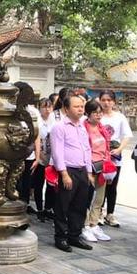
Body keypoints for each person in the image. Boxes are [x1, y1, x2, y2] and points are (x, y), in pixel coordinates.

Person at [50, 95, 94, 252]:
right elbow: (57, 152)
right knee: (63, 205)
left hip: (82, 171)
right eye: (76, 107)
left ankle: (74, 235)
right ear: (66, 109)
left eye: (81, 106)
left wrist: (89, 172)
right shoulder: (59, 127)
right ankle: (61, 237)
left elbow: (86, 149)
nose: (80, 109)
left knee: (80, 205)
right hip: (68, 170)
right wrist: (63, 174)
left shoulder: (82, 126)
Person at [99, 90, 133, 228]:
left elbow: (127, 136)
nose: (106, 103)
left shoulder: (120, 117)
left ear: (114, 102)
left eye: (109, 100)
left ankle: (110, 213)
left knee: (112, 186)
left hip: (114, 158)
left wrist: (119, 149)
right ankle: (98, 212)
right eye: (103, 100)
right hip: (99, 157)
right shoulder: (97, 116)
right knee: (100, 185)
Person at [81, 100, 112, 243]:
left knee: (99, 198)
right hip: (89, 167)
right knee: (86, 198)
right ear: (88, 113)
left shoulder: (102, 128)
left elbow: (107, 148)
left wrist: (108, 164)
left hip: (102, 167)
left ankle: (94, 224)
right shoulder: (83, 128)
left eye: (100, 113)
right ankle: (85, 225)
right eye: (95, 113)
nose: (98, 115)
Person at [14, 82, 41, 214]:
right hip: (13, 153)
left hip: (29, 154)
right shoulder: (10, 110)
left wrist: (37, 156)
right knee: (15, 182)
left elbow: (37, 134)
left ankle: (24, 206)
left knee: (26, 182)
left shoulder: (33, 111)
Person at [34, 98, 56, 222]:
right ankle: (39, 209)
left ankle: (48, 207)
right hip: (40, 155)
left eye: (49, 107)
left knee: (51, 184)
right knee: (39, 183)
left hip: (52, 156)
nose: (47, 110)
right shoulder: (37, 121)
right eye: (44, 107)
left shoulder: (54, 121)